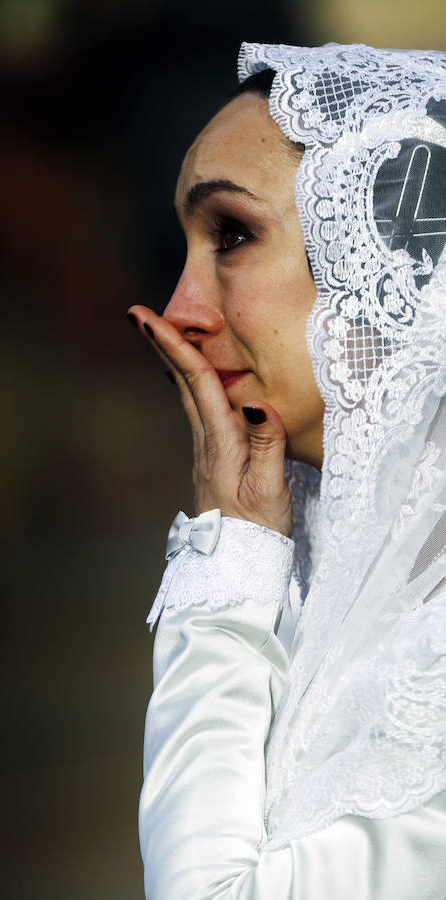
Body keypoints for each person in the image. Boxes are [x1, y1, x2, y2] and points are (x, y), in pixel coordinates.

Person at [127, 42, 446, 899]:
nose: (179, 311)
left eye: (231, 233)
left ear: (378, 257)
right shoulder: (341, 569)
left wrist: (224, 569)